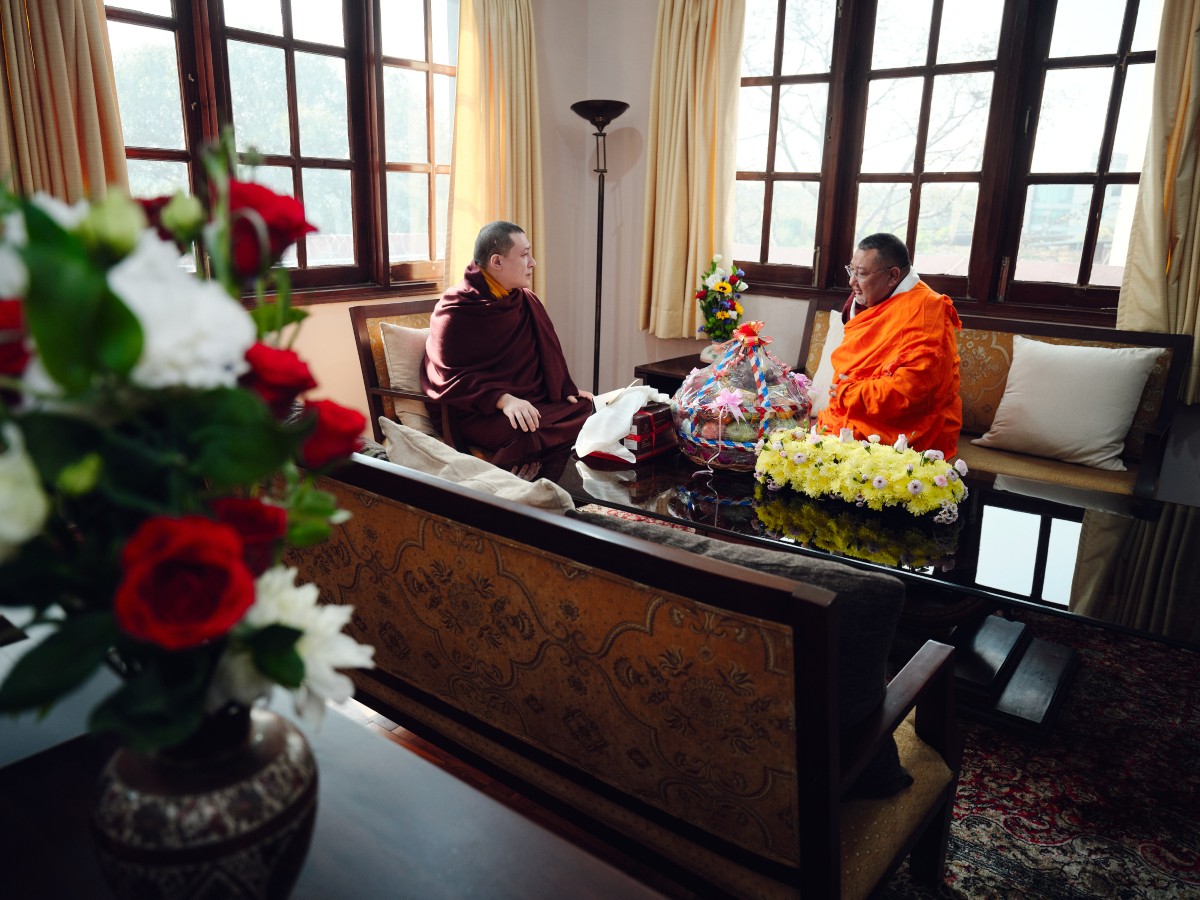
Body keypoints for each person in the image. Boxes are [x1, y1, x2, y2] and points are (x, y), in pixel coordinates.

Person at [422, 221, 594, 469]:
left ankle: (562, 488)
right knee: (527, 433)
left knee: (592, 411)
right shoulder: (455, 311)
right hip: (478, 412)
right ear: (497, 262)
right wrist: (504, 400)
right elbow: (449, 377)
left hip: (529, 403)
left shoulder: (525, 300)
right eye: (524, 255)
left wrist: (564, 387)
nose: (533, 262)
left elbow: (547, 357)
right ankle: (511, 491)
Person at [816, 232, 962, 456]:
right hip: (849, 415)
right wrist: (847, 393)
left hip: (905, 432)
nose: (852, 282)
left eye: (861, 274)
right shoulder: (873, 299)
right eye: (851, 270)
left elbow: (911, 391)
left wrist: (851, 392)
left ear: (893, 276)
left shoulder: (926, 311)